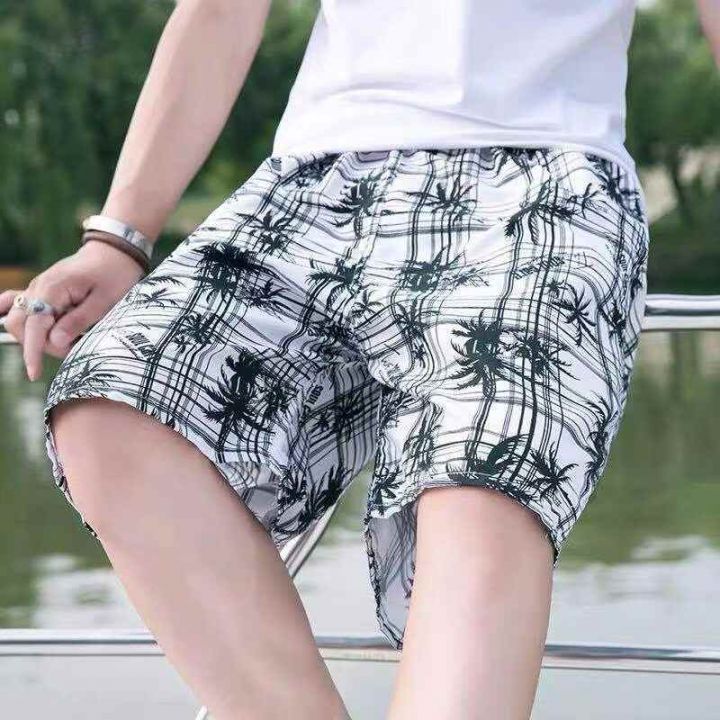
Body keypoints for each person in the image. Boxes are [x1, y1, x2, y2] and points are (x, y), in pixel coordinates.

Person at [2, 1, 719, 718]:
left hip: (548, 173)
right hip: (318, 175)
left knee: (483, 483)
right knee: (112, 413)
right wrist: (119, 239)